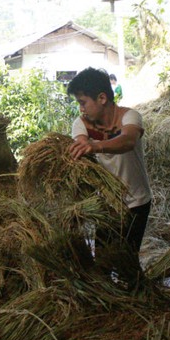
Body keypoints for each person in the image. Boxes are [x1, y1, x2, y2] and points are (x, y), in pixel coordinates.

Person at [67, 67, 151, 268]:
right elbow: (80, 146)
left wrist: (96, 145)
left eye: (83, 102)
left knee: (127, 264)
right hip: (106, 204)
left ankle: (133, 296)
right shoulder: (81, 124)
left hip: (135, 202)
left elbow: (128, 140)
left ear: (102, 98)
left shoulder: (129, 117)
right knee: (103, 263)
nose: (81, 109)